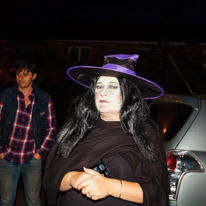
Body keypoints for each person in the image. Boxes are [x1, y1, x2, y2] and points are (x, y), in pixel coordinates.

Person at [44, 54, 169, 206]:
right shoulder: (78, 129)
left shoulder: (144, 133)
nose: (103, 92)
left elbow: (157, 193)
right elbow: (53, 180)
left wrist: (110, 187)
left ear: (128, 94)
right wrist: (72, 179)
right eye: (99, 86)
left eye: (113, 86)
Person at [0, 60, 57, 206]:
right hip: (8, 157)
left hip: (32, 159)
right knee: (6, 201)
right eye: (19, 74)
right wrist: (1, 150)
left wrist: (40, 153)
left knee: (33, 201)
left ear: (34, 76)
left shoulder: (44, 99)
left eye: (26, 74)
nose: (21, 77)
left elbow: (51, 128)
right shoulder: (6, 96)